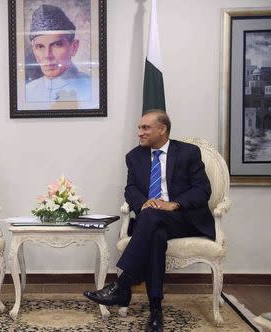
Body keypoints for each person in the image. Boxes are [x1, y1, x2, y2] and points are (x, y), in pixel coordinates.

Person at [84, 110, 215, 332]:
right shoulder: (134, 157)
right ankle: (155, 311)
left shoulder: (188, 153)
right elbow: (131, 189)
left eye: (145, 128)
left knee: (152, 218)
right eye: (139, 128)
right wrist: (144, 202)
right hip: (152, 221)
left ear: (162, 129)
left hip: (184, 219)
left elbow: (203, 190)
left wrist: (173, 204)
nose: (139, 133)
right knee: (155, 234)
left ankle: (123, 285)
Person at [26, 4, 91, 103]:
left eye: (57, 45)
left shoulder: (92, 87)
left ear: (74, 47)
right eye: (40, 47)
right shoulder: (27, 92)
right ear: (34, 50)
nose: (47, 55)